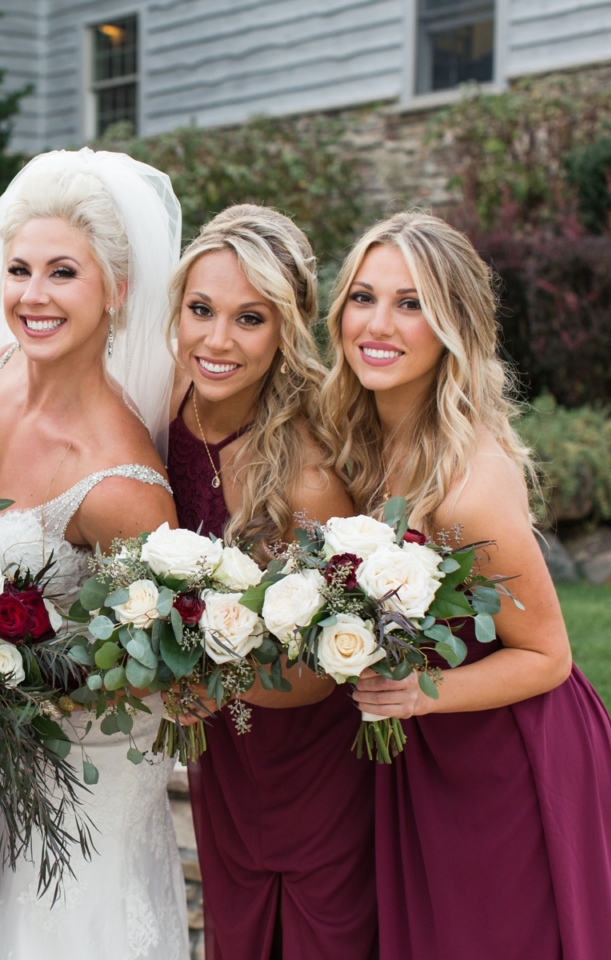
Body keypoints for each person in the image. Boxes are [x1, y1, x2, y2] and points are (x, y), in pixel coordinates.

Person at [323, 212, 611, 960]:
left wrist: (415, 694)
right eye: (363, 297)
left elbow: (549, 656)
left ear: (453, 325)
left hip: (511, 753)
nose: (379, 323)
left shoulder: (467, 488)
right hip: (432, 748)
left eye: (412, 303)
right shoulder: (366, 441)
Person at [0, 149, 189, 960]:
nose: (32, 297)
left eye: (63, 273)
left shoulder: (123, 486)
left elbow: (157, 669)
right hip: (10, 782)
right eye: (19, 269)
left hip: (88, 786)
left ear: (118, 290)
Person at [165, 206, 374, 959]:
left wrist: (189, 676)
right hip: (225, 759)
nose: (216, 340)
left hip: (312, 762)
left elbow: (323, 672)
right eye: (201, 310)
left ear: (286, 329)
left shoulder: (308, 475)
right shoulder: (164, 415)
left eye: (248, 319)